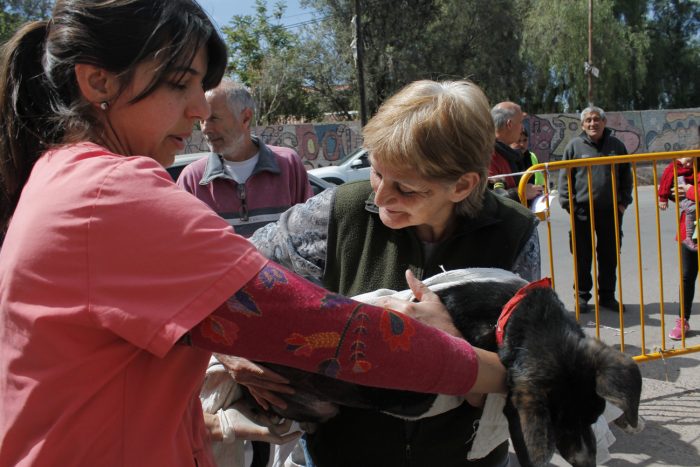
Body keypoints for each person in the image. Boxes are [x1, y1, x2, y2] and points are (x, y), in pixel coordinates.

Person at [0, 2, 509, 466]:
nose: (200, 110)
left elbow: (94, 386)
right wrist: (500, 372)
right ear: (98, 82)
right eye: (180, 83)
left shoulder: (67, 179)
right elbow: (323, 329)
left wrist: (202, 422)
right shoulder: (111, 194)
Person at [244, 80, 541, 467]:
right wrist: (229, 354)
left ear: (463, 184)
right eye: (376, 172)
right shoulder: (337, 213)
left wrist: (453, 345)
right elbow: (230, 274)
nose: (381, 197)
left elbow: (536, 379)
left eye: (406, 187)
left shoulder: (515, 236)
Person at [177, 78, 313, 238]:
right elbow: (183, 244)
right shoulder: (192, 179)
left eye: (213, 118)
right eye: (201, 120)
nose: (205, 129)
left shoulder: (288, 165)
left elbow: (309, 234)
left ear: (246, 118)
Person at [557, 106, 633, 314]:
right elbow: (565, 179)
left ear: (604, 122)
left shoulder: (616, 146)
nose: (593, 123)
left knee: (609, 255)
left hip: (611, 211)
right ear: (582, 125)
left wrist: (623, 203)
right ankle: (582, 297)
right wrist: (568, 204)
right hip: (582, 211)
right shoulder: (574, 146)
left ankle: (607, 296)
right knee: (582, 255)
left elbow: (626, 175)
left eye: (596, 119)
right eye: (588, 120)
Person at [667, 127, 700, 340]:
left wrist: (689, 191)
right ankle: (682, 319)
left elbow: (687, 193)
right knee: (687, 276)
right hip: (689, 229)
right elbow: (672, 190)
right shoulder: (689, 165)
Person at [489, 101, 542, 203]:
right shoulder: (488, 155)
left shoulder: (507, 153)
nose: (522, 128)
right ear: (509, 124)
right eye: (520, 122)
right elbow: (489, 199)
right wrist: (520, 192)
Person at [658, 157, 697, 251]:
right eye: (687, 161)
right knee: (691, 209)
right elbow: (665, 181)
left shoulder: (691, 168)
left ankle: (689, 237)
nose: (688, 165)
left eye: (691, 162)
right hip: (676, 192)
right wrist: (663, 198)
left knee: (692, 208)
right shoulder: (674, 167)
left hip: (686, 193)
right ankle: (689, 237)